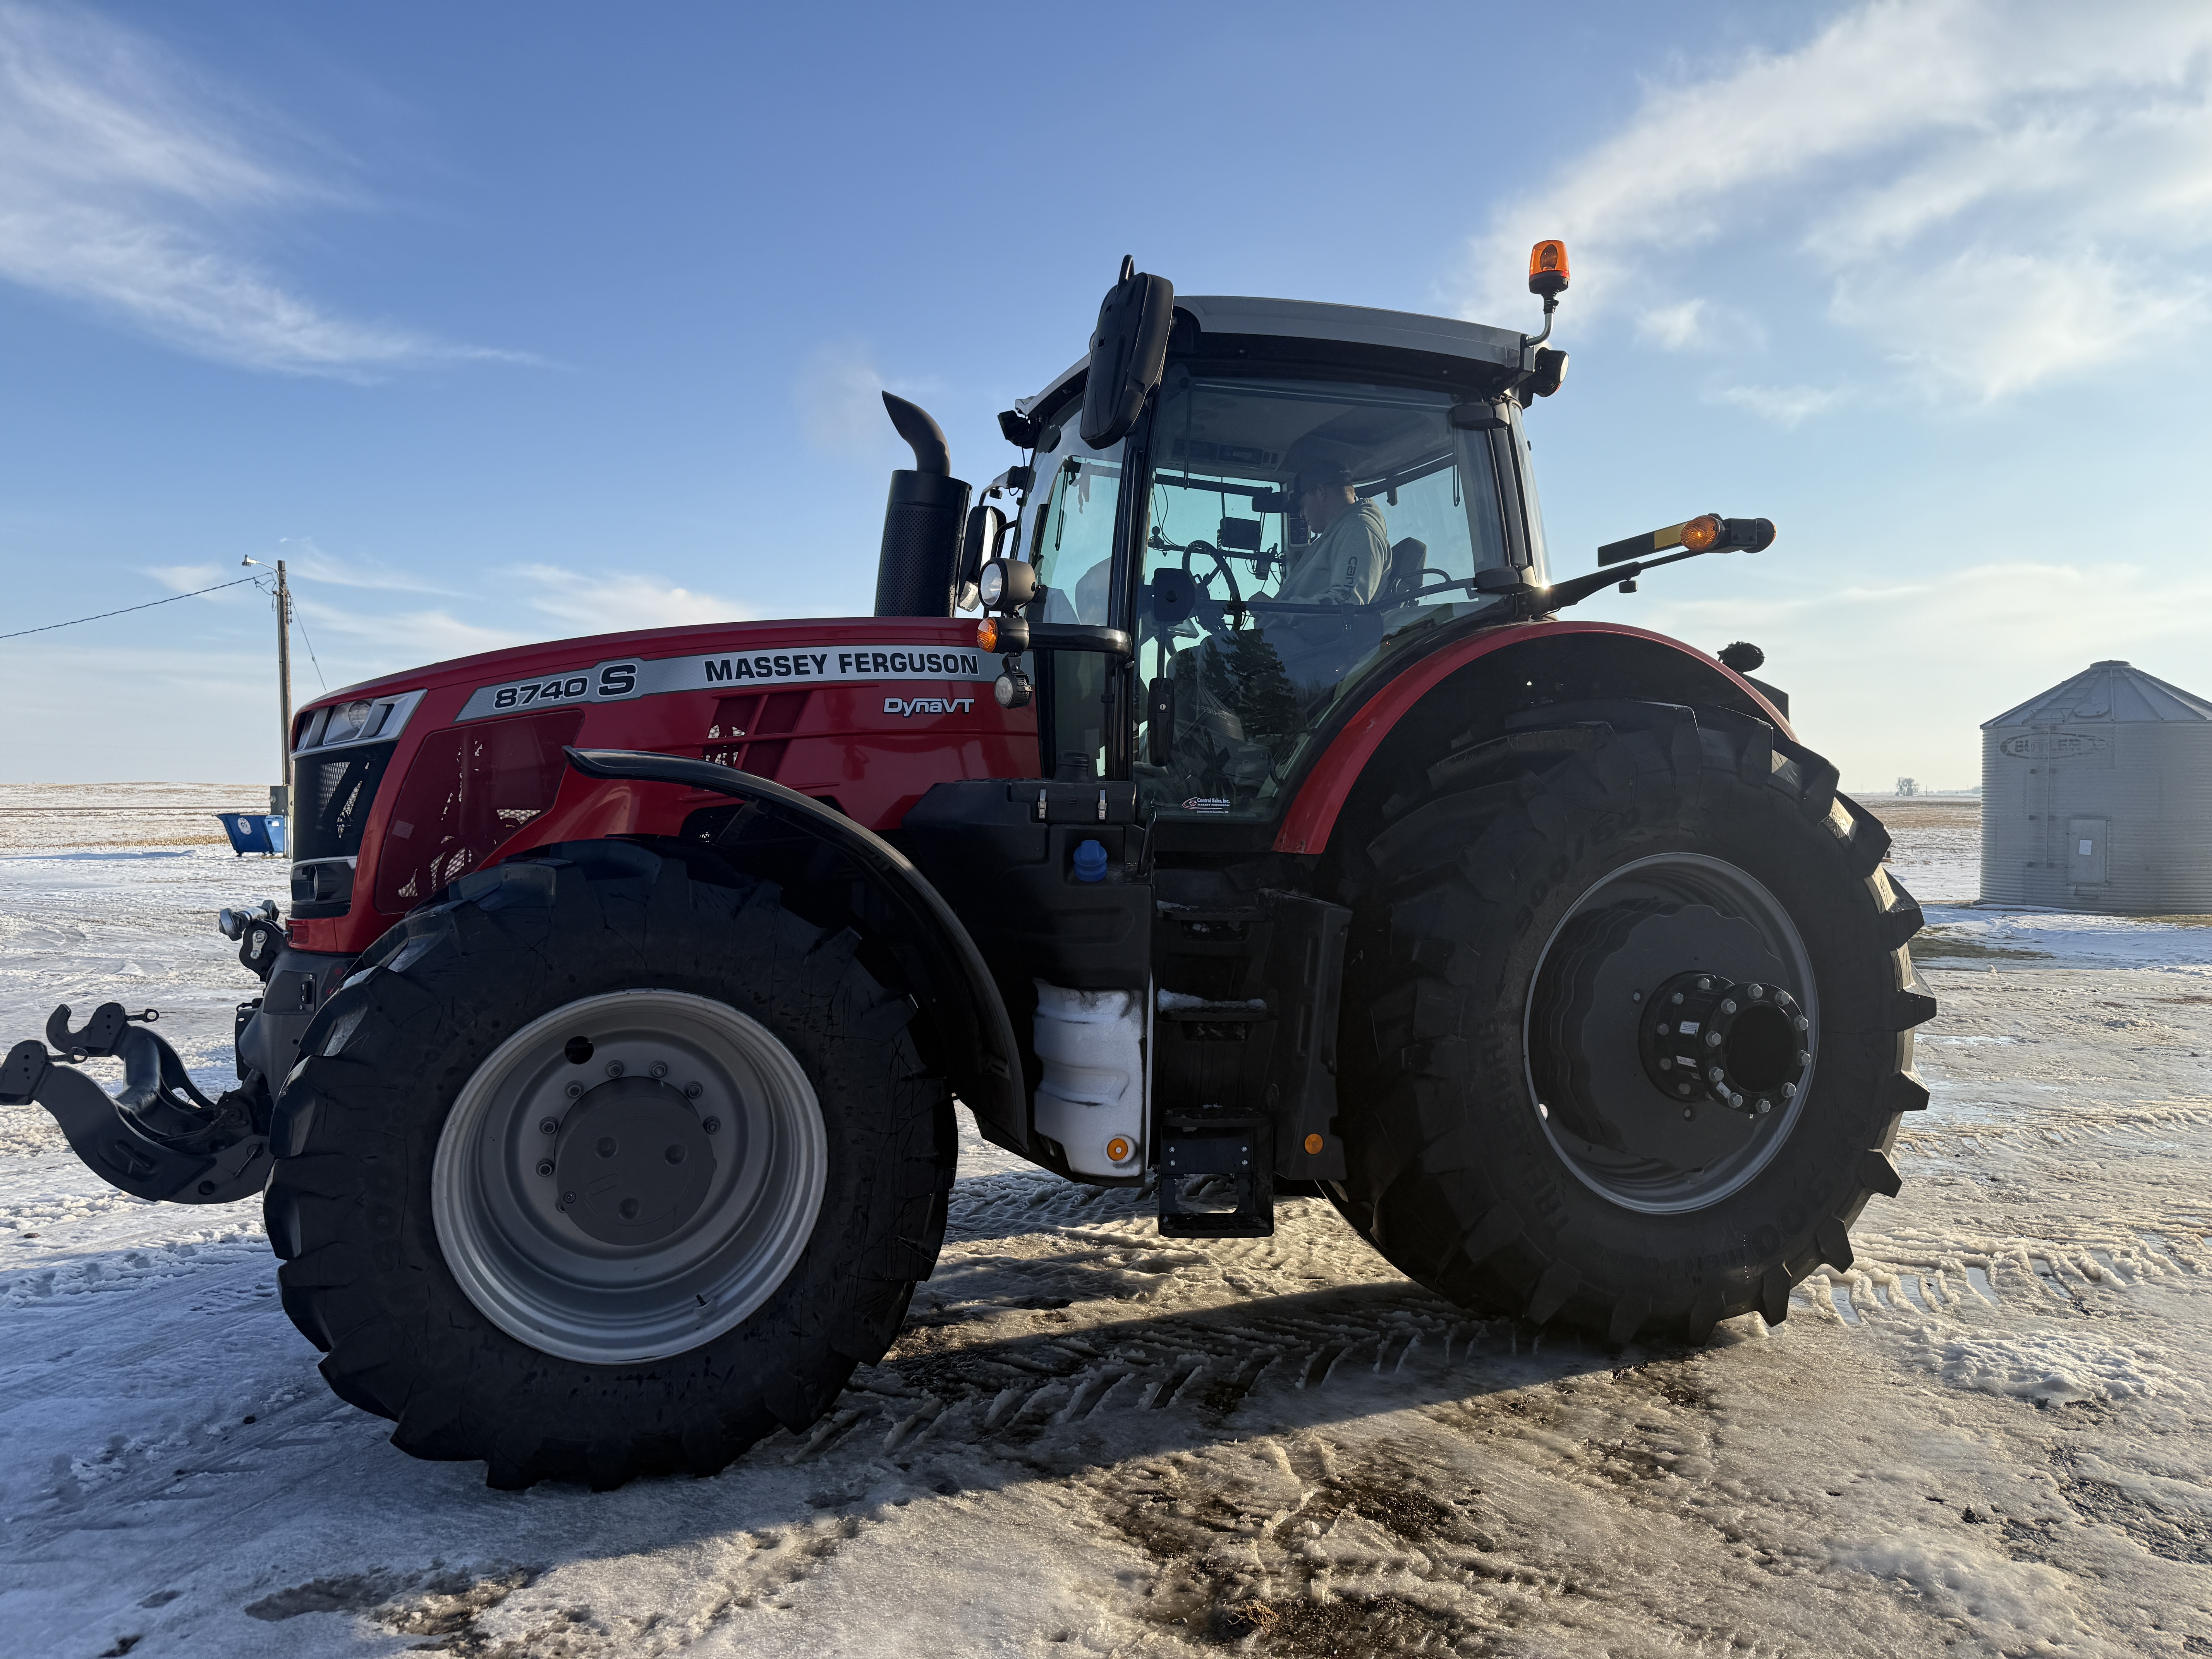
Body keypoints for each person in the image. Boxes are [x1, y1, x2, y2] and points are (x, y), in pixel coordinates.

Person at [1275, 458, 1389, 608]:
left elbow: (1346, 605)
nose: (1302, 514)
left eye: (1302, 506)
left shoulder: (1358, 530)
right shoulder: (1338, 534)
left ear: (1321, 492)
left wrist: (1273, 608)